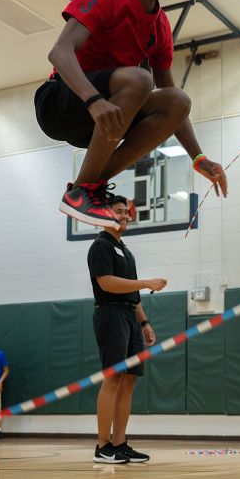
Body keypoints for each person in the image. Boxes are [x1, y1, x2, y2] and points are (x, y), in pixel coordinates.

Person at [35, 0, 228, 229]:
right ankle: (82, 189)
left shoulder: (161, 25)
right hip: (61, 103)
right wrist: (94, 100)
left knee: (178, 99)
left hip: (102, 122)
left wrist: (197, 157)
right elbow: (59, 53)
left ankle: (86, 188)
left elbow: (172, 105)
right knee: (141, 78)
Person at [88, 195, 162, 464]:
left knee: (129, 380)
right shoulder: (100, 246)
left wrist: (144, 322)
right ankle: (103, 446)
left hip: (130, 317)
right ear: (105, 215)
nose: (125, 216)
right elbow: (107, 283)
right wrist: (145, 282)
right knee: (114, 378)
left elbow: (132, 290)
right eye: (119, 211)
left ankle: (120, 444)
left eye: (127, 212)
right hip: (110, 314)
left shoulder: (126, 251)